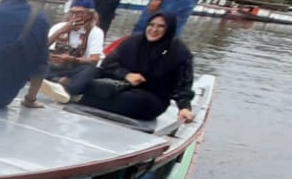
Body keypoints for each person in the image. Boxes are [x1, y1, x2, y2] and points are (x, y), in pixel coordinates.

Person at [66, 12, 196, 123]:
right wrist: (126, 75)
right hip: (118, 84)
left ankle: (84, 98)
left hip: (150, 95)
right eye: (151, 25)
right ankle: (68, 90)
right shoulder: (133, 42)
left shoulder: (179, 52)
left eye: (161, 26)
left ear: (169, 29)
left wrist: (184, 107)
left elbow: (183, 84)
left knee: (133, 100)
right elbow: (108, 64)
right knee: (91, 71)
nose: (154, 30)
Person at [45, 0, 105, 79]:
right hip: (56, 66)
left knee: (90, 71)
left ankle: (63, 81)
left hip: (77, 68)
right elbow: (40, 48)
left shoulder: (96, 32)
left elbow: (94, 59)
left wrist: (73, 59)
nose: (74, 17)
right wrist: (62, 30)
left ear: (89, 15)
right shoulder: (59, 26)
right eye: (72, 13)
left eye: (79, 13)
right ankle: (56, 79)